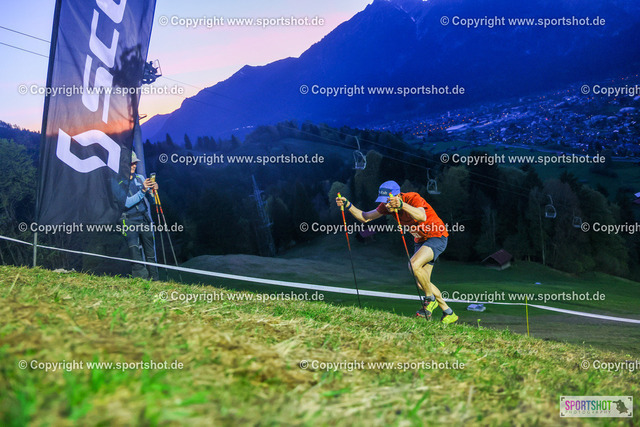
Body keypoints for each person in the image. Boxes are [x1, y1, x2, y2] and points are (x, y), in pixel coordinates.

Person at [336, 180, 458, 324]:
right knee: (422, 283)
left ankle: (430, 300)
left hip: (436, 235)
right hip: (420, 240)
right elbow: (365, 217)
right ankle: (448, 312)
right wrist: (348, 205)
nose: (386, 204)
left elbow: (421, 216)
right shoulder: (387, 206)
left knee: (413, 265)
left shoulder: (412, 198)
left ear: (397, 196)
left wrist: (402, 205)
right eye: (383, 201)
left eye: (388, 200)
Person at [119, 152, 159, 280]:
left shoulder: (140, 178)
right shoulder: (117, 181)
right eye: (131, 163)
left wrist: (153, 191)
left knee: (150, 252)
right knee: (134, 252)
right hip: (129, 221)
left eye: (135, 162)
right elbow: (126, 203)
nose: (134, 165)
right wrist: (143, 191)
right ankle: (141, 281)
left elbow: (152, 200)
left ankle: (155, 280)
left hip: (144, 219)